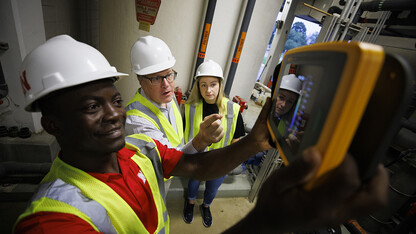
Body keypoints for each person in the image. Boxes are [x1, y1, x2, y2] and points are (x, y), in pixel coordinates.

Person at [14, 35, 388, 234]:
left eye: (113, 100)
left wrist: (256, 140)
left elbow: (195, 165)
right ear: (53, 126)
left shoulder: (137, 148)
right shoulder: (55, 222)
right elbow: (191, 155)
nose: (115, 115)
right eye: (92, 107)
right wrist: (268, 221)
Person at [125, 36, 224, 195]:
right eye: (156, 78)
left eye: (169, 75)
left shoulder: (167, 97)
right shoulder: (136, 120)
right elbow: (171, 161)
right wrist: (201, 140)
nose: (166, 85)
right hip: (155, 180)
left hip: (172, 172)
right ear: (140, 79)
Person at [182, 60, 246, 227]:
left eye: (213, 84)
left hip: (220, 162)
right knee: (193, 183)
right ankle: (190, 203)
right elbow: (184, 135)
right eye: (203, 85)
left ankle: (206, 206)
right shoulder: (190, 108)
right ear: (198, 86)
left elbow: (236, 140)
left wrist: (229, 162)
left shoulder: (233, 109)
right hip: (197, 160)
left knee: (212, 188)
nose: (208, 90)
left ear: (220, 85)